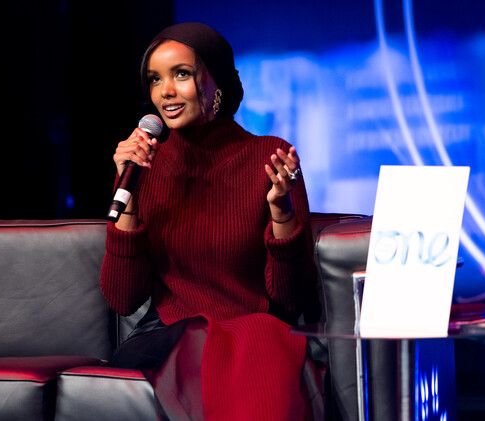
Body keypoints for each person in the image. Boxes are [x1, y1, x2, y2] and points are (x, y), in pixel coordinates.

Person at [100, 22, 322, 420]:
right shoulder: (144, 165)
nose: (164, 91)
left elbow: (291, 300)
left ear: (215, 82)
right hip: (167, 332)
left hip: (254, 327)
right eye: (154, 79)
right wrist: (127, 193)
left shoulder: (268, 157)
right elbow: (122, 299)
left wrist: (281, 210)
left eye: (181, 74)